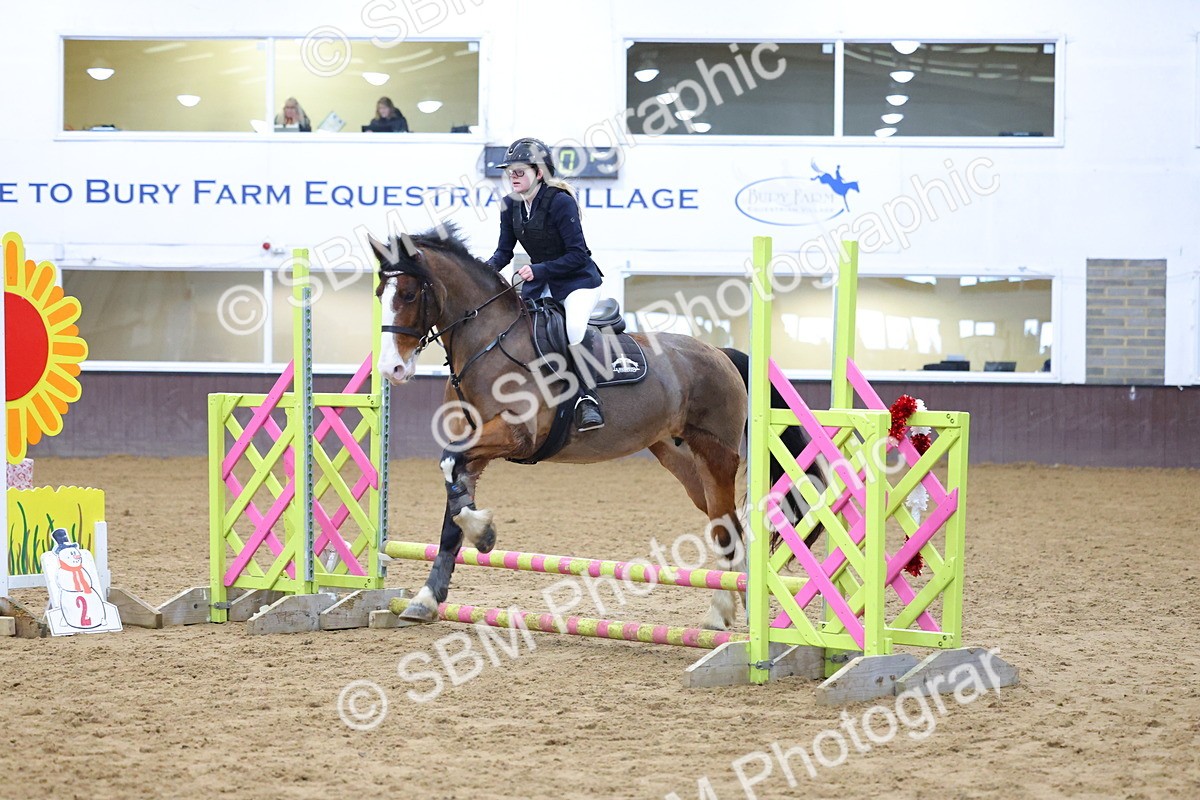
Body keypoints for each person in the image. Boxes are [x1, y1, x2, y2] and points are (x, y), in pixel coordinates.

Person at [485, 137, 606, 432]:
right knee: (518, 330)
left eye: (519, 171)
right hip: (541, 283)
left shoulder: (560, 201)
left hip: (578, 282)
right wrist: (482, 272)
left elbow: (578, 255)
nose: (513, 176)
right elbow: (504, 252)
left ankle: (587, 399)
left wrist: (538, 270)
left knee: (574, 330)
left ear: (539, 173)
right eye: (509, 172)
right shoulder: (509, 206)